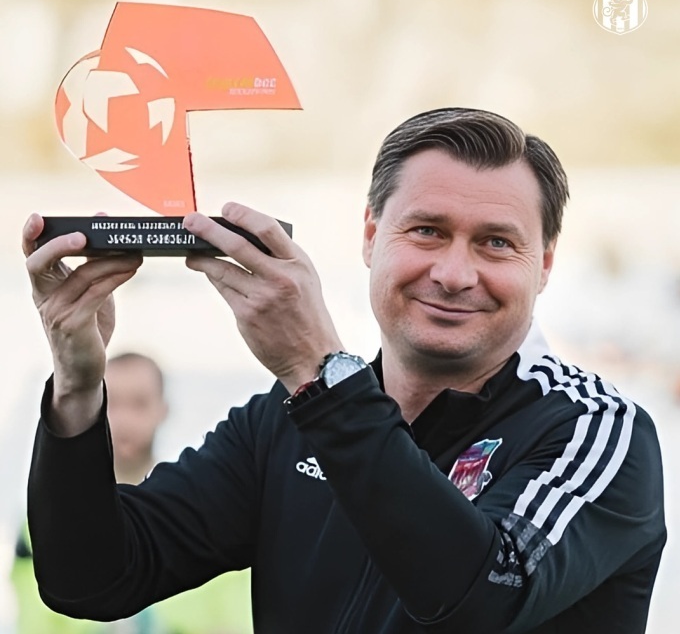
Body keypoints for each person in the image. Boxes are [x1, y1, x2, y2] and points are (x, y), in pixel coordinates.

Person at [22, 107, 666, 633]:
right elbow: (90, 579)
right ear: (370, 236)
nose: (454, 273)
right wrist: (77, 391)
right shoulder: (288, 418)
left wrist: (317, 371)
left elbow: (479, 598)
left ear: (544, 264)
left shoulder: (597, 431)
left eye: (496, 242)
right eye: (427, 231)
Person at [12, 353, 253, 634]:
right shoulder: (46, 519)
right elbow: (33, 622)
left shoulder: (209, 505)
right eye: (113, 403)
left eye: (139, 403)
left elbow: (236, 617)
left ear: (162, 410)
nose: (125, 419)